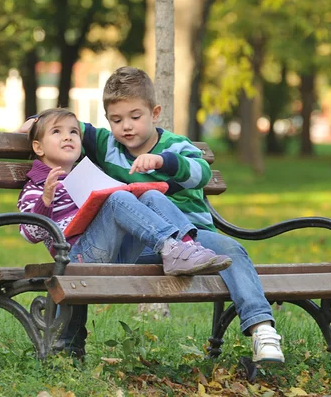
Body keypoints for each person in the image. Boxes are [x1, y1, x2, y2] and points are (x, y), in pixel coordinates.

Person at [19, 67, 285, 363]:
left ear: (155, 113)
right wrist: (33, 121)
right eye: (117, 120)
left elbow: (202, 172)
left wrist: (164, 161)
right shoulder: (107, 144)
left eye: (135, 117)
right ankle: (174, 247)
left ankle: (262, 330)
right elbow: (66, 127)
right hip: (141, 243)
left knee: (230, 249)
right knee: (143, 197)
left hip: (193, 238)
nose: (126, 127)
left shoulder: (175, 145)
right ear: (108, 120)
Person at [17, 108, 232, 357]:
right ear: (38, 147)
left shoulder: (86, 175)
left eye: (74, 132)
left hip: (113, 252)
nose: (68, 137)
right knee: (117, 198)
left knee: (150, 193)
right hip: (77, 257)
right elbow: (29, 233)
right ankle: (169, 247)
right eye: (57, 132)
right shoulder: (36, 184)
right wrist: (46, 198)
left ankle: (184, 246)